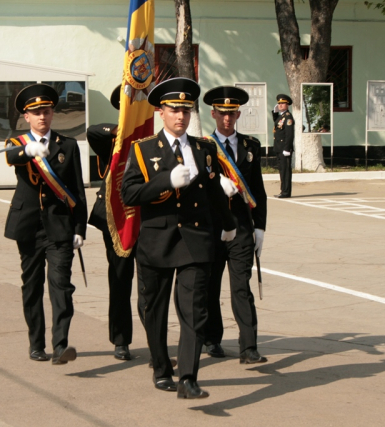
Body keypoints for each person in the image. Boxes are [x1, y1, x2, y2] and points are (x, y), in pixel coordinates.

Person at [121, 77, 236, 399]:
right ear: (161, 112)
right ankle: (161, 368)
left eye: (186, 110)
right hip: (158, 242)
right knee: (154, 310)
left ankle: (188, 377)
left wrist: (229, 224)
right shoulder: (143, 150)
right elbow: (128, 193)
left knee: (195, 311)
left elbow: (213, 192)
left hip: (196, 241)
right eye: (174, 110)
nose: (181, 116)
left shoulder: (204, 149)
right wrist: (164, 182)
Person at [3, 84, 88, 365]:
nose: (42, 117)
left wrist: (79, 229)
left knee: (61, 285)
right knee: (32, 286)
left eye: (47, 111)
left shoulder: (67, 145)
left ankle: (60, 345)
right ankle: (36, 343)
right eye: (36, 113)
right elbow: (11, 157)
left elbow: (77, 189)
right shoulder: (17, 143)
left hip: (60, 226)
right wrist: (29, 150)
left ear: (53, 113)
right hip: (28, 225)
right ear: (26, 117)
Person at [202, 86, 268, 364]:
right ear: (213, 113)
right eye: (222, 114)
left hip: (241, 228)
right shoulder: (202, 146)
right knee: (210, 286)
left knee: (242, 286)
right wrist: (216, 184)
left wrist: (260, 227)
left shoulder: (250, 146)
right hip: (213, 227)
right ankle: (212, 338)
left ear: (238, 113)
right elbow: (197, 186)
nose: (227, 119)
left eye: (232, 113)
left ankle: (249, 346)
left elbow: (259, 190)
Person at [86, 86, 136, 361]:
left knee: (150, 285)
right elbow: (92, 131)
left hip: (148, 218)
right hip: (117, 218)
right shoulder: (113, 139)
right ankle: (121, 340)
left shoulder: (152, 137)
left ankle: (155, 340)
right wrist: (121, 131)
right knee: (120, 279)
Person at [272, 94, 294, 198]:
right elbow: (276, 123)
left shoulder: (288, 117)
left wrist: (287, 148)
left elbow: (289, 135)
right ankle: (283, 190)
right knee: (282, 170)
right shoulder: (281, 116)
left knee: (285, 171)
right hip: (279, 148)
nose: (280, 105)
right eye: (279, 103)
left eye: (282, 103)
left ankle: (286, 192)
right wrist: (275, 112)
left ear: (287, 104)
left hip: (284, 148)